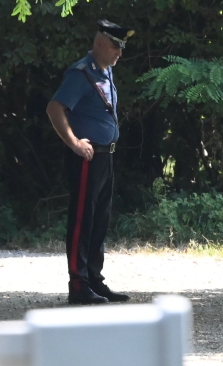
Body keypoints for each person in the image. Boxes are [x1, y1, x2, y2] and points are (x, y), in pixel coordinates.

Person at [46, 20, 135, 305]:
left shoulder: (105, 72)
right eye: (114, 46)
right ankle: (79, 284)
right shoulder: (81, 74)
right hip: (88, 156)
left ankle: (94, 280)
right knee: (83, 220)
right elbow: (55, 108)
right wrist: (73, 142)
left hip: (105, 156)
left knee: (100, 220)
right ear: (99, 43)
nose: (119, 52)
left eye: (121, 47)